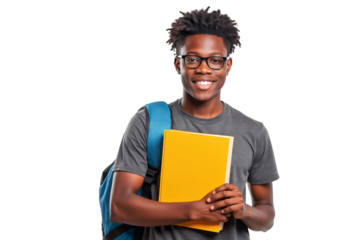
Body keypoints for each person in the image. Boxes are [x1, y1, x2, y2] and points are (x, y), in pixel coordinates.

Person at [110, 5, 281, 239]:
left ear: (228, 66)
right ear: (177, 64)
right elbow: (119, 208)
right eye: (192, 59)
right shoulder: (146, 122)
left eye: (215, 60)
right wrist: (194, 211)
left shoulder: (255, 131)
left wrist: (244, 210)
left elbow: (267, 217)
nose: (203, 69)